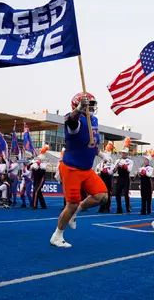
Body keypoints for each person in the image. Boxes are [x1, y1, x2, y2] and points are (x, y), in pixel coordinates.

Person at [49, 92, 110, 248]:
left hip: (86, 168)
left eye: (91, 104)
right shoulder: (73, 118)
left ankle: (75, 214)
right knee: (71, 204)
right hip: (72, 168)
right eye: (88, 105)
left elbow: (91, 143)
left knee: (102, 196)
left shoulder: (93, 120)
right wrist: (78, 109)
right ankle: (57, 236)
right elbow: (72, 121)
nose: (91, 107)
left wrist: (102, 154)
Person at [113, 148, 133, 213]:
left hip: (126, 178)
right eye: (122, 153)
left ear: (127, 154)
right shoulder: (118, 160)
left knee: (126, 194)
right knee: (117, 193)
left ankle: (128, 208)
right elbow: (114, 170)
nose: (123, 154)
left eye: (124, 153)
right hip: (119, 178)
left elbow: (129, 169)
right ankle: (119, 209)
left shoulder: (130, 161)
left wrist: (124, 166)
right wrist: (115, 168)